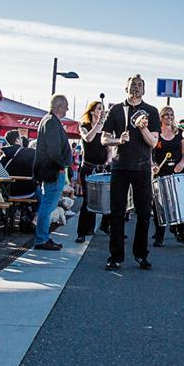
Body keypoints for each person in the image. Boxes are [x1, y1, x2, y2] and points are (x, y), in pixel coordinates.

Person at [101, 75, 160, 270]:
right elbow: (104, 139)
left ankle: (141, 255)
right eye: (132, 85)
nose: (135, 88)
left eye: (139, 85)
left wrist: (142, 128)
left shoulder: (151, 111)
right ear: (125, 88)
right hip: (120, 166)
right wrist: (118, 140)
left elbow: (153, 142)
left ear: (144, 90)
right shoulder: (116, 110)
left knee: (143, 213)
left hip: (142, 168)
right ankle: (115, 256)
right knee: (117, 213)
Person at [32, 94, 73, 250]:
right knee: (48, 206)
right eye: (66, 105)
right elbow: (54, 150)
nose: (67, 109)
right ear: (59, 106)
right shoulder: (50, 122)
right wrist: (62, 165)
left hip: (52, 169)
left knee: (48, 205)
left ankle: (43, 237)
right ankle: (41, 239)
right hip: (53, 171)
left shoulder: (49, 121)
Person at [152, 105, 184, 246]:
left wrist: (182, 163)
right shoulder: (155, 133)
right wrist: (153, 165)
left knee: (180, 203)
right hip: (161, 172)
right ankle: (159, 235)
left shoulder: (179, 133)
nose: (169, 117)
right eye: (166, 115)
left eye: (171, 115)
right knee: (160, 205)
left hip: (178, 171)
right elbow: (150, 152)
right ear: (161, 118)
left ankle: (180, 232)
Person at [76, 101, 112, 243]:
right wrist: (98, 124)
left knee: (108, 198)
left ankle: (105, 225)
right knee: (87, 200)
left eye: (102, 109)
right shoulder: (84, 126)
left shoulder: (106, 129)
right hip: (89, 168)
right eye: (99, 109)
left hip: (102, 167)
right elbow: (88, 138)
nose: (101, 111)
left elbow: (109, 149)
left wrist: (108, 161)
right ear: (92, 111)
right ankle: (82, 232)